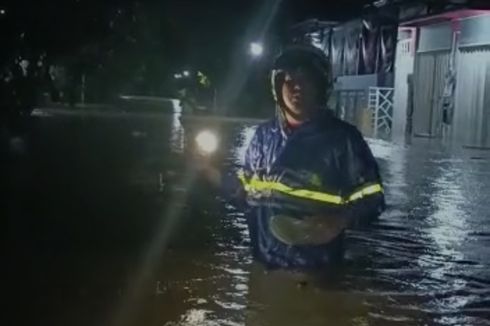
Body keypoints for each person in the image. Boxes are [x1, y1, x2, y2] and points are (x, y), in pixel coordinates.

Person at [204, 45, 385, 269]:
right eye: (289, 81)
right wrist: (209, 173)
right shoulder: (262, 137)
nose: (297, 87)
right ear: (277, 87)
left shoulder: (344, 139)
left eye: (306, 80)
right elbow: (245, 194)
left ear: (321, 87)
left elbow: (373, 200)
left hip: (317, 273)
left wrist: (339, 221)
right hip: (264, 266)